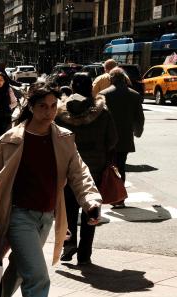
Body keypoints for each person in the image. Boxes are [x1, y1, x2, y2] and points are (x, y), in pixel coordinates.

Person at [0, 83, 102, 297]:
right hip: (19, 216)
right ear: (31, 107)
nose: (49, 112)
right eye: (43, 106)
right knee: (38, 278)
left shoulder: (64, 138)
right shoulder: (11, 140)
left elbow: (79, 173)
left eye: (53, 106)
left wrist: (91, 201)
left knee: (21, 270)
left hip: (47, 216)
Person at [55, 73, 118, 264]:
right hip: (95, 168)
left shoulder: (61, 113)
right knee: (91, 209)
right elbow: (113, 140)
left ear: (72, 87)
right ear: (91, 87)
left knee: (69, 209)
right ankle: (85, 254)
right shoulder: (102, 112)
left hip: (68, 168)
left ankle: (68, 245)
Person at [100, 67, 145, 208]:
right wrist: (137, 132)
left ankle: (108, 196)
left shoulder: (104, 94)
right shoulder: (135, 95)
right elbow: (140, 118)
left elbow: (98, 118)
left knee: (106, 167)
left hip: (106, 138)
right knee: (120, 166)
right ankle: (119, 198)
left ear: (111, 79)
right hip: (125, 137)